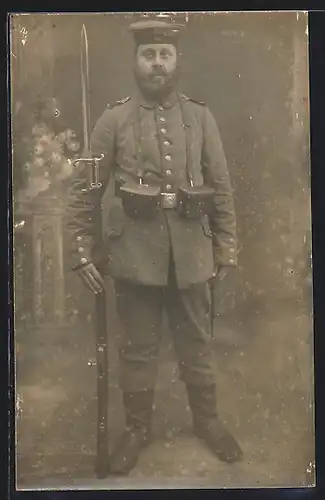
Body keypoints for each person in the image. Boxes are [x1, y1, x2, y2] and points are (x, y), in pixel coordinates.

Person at [67, 19, 243, 475]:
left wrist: (226, 248)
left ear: (177, 59)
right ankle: (137, 429)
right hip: (135, 257)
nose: (158, 63)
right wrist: (80, 249)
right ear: (135, 61)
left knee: (197, 344)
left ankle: (208, 421)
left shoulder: (200, 117)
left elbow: (220, 187)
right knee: (138, 348)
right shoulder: (113, 120)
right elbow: (85, 191)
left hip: (192, 253)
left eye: (165, 54)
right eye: (149, 55)